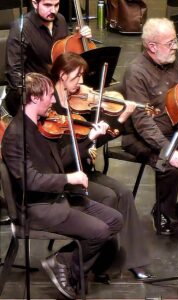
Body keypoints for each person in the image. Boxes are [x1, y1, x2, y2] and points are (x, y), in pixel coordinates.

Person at [1, 73, 123, 299]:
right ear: (35, 98)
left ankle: (63, 262)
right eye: (50, 96)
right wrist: (69, 179)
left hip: (58, 198)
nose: (55, 100)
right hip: (37, 208)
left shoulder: (39, 125)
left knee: (115, 219)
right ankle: (65, 265)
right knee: (100, 231)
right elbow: (29, 181)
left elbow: (61, 158)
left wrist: (89, 141)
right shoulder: (16, 135)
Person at [48, 52, 154, 280]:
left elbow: (94, 139)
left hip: (84, 170)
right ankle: (98, 262)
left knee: (124, 193)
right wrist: (89, 141)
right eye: (77, 77)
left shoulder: (74, 103)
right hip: (65, 177)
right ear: (62, 75)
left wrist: (121, 118)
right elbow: (64, 157)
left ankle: (132, 260)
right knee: (108, 197)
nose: (82, 84)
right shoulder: (52, 110)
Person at [121, 18, 178, 235]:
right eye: (170, 43)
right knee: (169, 166)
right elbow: (142, 122)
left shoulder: (174, 63)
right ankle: (161, 211)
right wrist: (167, 149)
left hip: (175, 130)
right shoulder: (136, 72)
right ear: (152, 46)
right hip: (141, 137)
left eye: (175, 41)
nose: (175, 47)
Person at [4, 0, 92, 116]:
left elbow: (63, 57)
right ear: (35, 4)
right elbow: (14, 74)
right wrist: (43, 95)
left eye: (56, 5)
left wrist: (77, 39)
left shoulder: (60, 20)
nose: (53, 10)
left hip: (55, 84)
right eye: (47, 5)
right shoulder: (21, 27)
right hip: (32, 90)